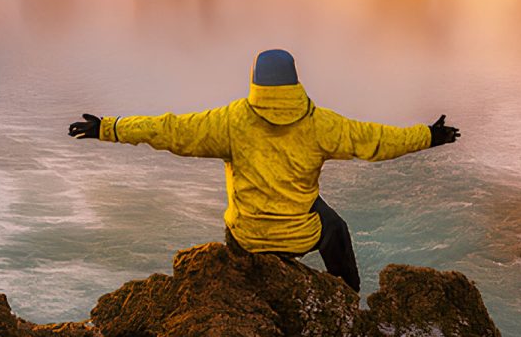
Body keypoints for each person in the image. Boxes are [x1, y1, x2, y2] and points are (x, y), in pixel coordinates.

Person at [67, 48, 458, 292]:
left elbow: (169, 129)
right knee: (334, 227)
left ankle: (244, 278)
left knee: (241, 214)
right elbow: (378, 140)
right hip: (298, 237)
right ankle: (345, 296)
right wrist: (430, 135)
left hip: (247, 238)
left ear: (255, 81)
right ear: (295, 82)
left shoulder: (231, 121)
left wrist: (108, 127)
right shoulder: (321, 124)